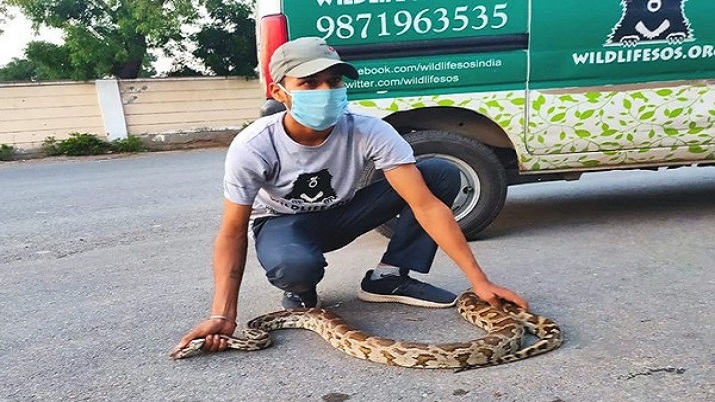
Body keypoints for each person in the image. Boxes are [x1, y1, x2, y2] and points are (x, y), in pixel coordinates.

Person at [173, 37, 528, 355]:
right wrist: (223, 314)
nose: (325, 91)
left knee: (439, 173)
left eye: (334, 81)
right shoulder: (254, 146)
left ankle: (388, 277)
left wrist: (479, 281)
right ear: (279, 91)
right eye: (309, 83)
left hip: (344, 214)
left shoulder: (369, 129)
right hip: (283, 223)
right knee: (296, 265)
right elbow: (233, 232)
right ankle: (300, 292)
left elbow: (426, 205)